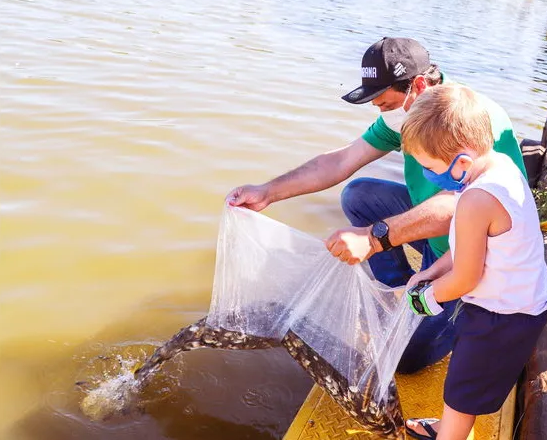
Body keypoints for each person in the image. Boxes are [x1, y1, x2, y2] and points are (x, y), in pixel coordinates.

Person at [225, 37, 528, 374]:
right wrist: (268, 192)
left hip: (471, 255)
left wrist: (372, 239)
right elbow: (342, 160)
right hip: (438, 239)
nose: (382, 112)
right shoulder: (411, 111)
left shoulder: (469, 120)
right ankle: (395, 291)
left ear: (418, 86)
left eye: (385, 104)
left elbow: (461, 206)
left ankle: (446, 315)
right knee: (358, 195)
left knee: (403, 358)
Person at [396, 84, 547, 440]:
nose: (426, 175)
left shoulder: (475, 200)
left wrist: (425, 298)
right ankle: (448, 427)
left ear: (462, 163)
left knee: (463, 389)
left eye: (428, 167)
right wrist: (432, 271)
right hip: (517, 302)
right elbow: (467, 248)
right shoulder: (499, 165)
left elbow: (466, 277)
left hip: (503, 315)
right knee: (463, 379)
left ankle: (450, 435)